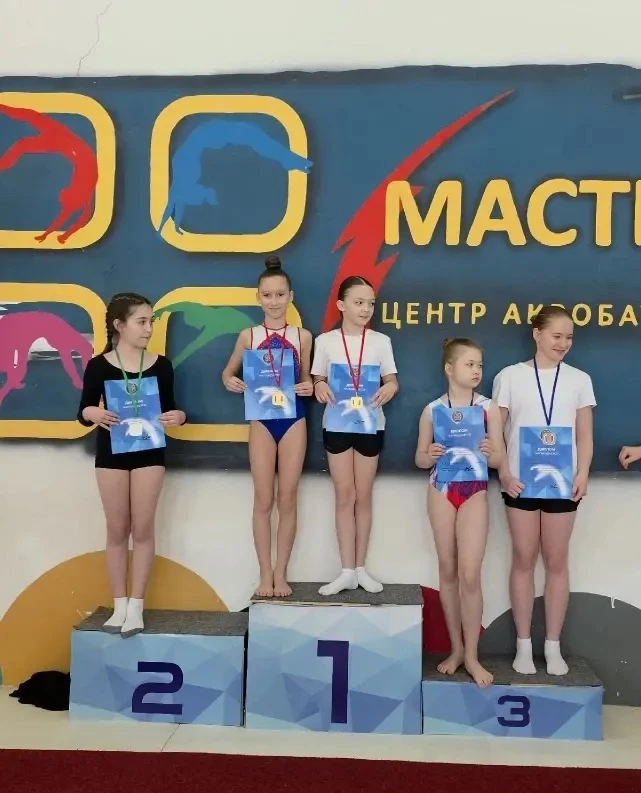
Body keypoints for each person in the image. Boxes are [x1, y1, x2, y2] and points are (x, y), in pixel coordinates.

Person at [492, 305, 596, 676]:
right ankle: (523, 645)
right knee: (523, 558)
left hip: (563, 485)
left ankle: (552, 646)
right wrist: (504, 472)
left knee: (556, 561)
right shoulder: (509, 376)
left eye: (569, 337)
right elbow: (495, 431)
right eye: (556, 336)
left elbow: (585, 435)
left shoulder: (579, 380)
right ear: (537, 334)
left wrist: (583, 473)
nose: (563, 343)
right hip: (520, 482)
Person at [77, 293, 186, 637]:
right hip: (111, 453)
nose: (149, 328)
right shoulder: (98, 365)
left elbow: (171, 408)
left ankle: (137, 605)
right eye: (142, 322)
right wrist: (92, 412)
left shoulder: (162, 365)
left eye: (151, 321)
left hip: (149, 454)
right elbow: (83, 411)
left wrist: (179, 417)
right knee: (116, 529)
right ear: (119, 325)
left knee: (143, 528)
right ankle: (119, 603)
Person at [415, 338, 505, 687]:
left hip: (474, 491)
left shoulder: (488, 408)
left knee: (470, 574)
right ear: (449, 368)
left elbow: (498, 459)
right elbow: (419, 458)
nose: (477, 370)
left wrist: (491, 451)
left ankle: (472, 655)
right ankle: (455, 650)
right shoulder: (432, 410)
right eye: (469, 364)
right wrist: (429, 455)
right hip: (441, 490)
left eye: (479, 365)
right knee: (449, 571)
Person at [222, 256, 313, 598]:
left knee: (288, 497)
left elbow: (307, 380)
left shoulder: (303, 337)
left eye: (280, 295)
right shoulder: (249, 335)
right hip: (261, 419)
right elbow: (227, 372)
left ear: (291, 296)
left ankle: (281, 573)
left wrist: (309, 387)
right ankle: (264, 573)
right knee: (263, 498)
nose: (274, 301)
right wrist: (231, 381)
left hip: (293, 419)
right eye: (267, 295)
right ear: (258, 297)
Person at [311, 275, 399, 596]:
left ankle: (361, 568)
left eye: (370, 303)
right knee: (344, 495)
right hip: (337, 424)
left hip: (369, 425)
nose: (365, 309)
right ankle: (346, 570)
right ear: (341, 305)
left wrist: (389, 388)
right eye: (358, 302)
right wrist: (320, 385)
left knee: (364, 495)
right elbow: (317, 378)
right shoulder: (325, 341)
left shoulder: (380, 341)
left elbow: (392, 380)